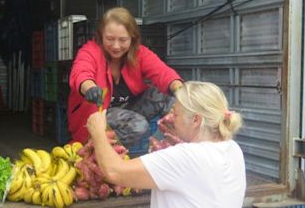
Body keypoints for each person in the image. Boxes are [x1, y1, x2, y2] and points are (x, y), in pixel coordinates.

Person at [86, 81, 246, 208]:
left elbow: (115, 172)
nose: (171, 118)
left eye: (175, 114)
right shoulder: (233, 148)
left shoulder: (186, 157)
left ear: (196, 120)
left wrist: (98, 131)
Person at [68, 7, 183, 147]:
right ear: (101, 36)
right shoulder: (90, 51)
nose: (116, 46)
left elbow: (162, 72)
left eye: (123, 40)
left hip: (128, 111)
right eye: (110, 39)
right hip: (96, 116)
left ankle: (175, 148)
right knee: (138, 125)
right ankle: (97, 153)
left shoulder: (139, 53)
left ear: (132, 38)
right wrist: (89, 88)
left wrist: (180, 90)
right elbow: (81, 72)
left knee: (169, 97)